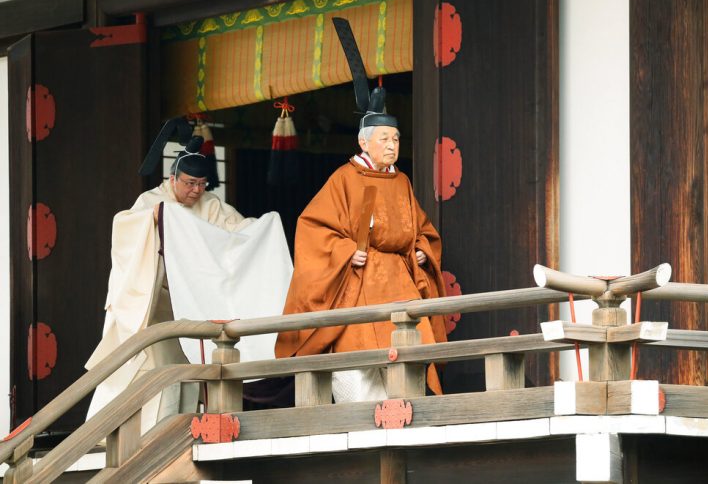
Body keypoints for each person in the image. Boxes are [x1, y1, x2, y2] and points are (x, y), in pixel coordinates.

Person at [86, 132, 292, 432]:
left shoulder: (211, 206)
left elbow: (237, 235)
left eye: (201, 184)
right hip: (156, 305)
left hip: (192, 303)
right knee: (147, 369)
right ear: (173, 179)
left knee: (190, 370)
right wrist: (157, 220)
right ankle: (120, 432)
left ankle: (178, 430)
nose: (196, 190)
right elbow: (124, 227)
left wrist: (262, 228)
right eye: (189, 183)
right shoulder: (152, 202)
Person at [275, 109, 448, 403]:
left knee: (407, 384)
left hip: (399, 285)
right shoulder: (344, 179)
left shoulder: (401, 181)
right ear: (363, 143)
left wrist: (421, 249)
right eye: (384, 139)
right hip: (359, 285)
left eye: (396, 139)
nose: (392, 145)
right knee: (359, 383)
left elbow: (422, 228)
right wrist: (345, 252)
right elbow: (313, 229)